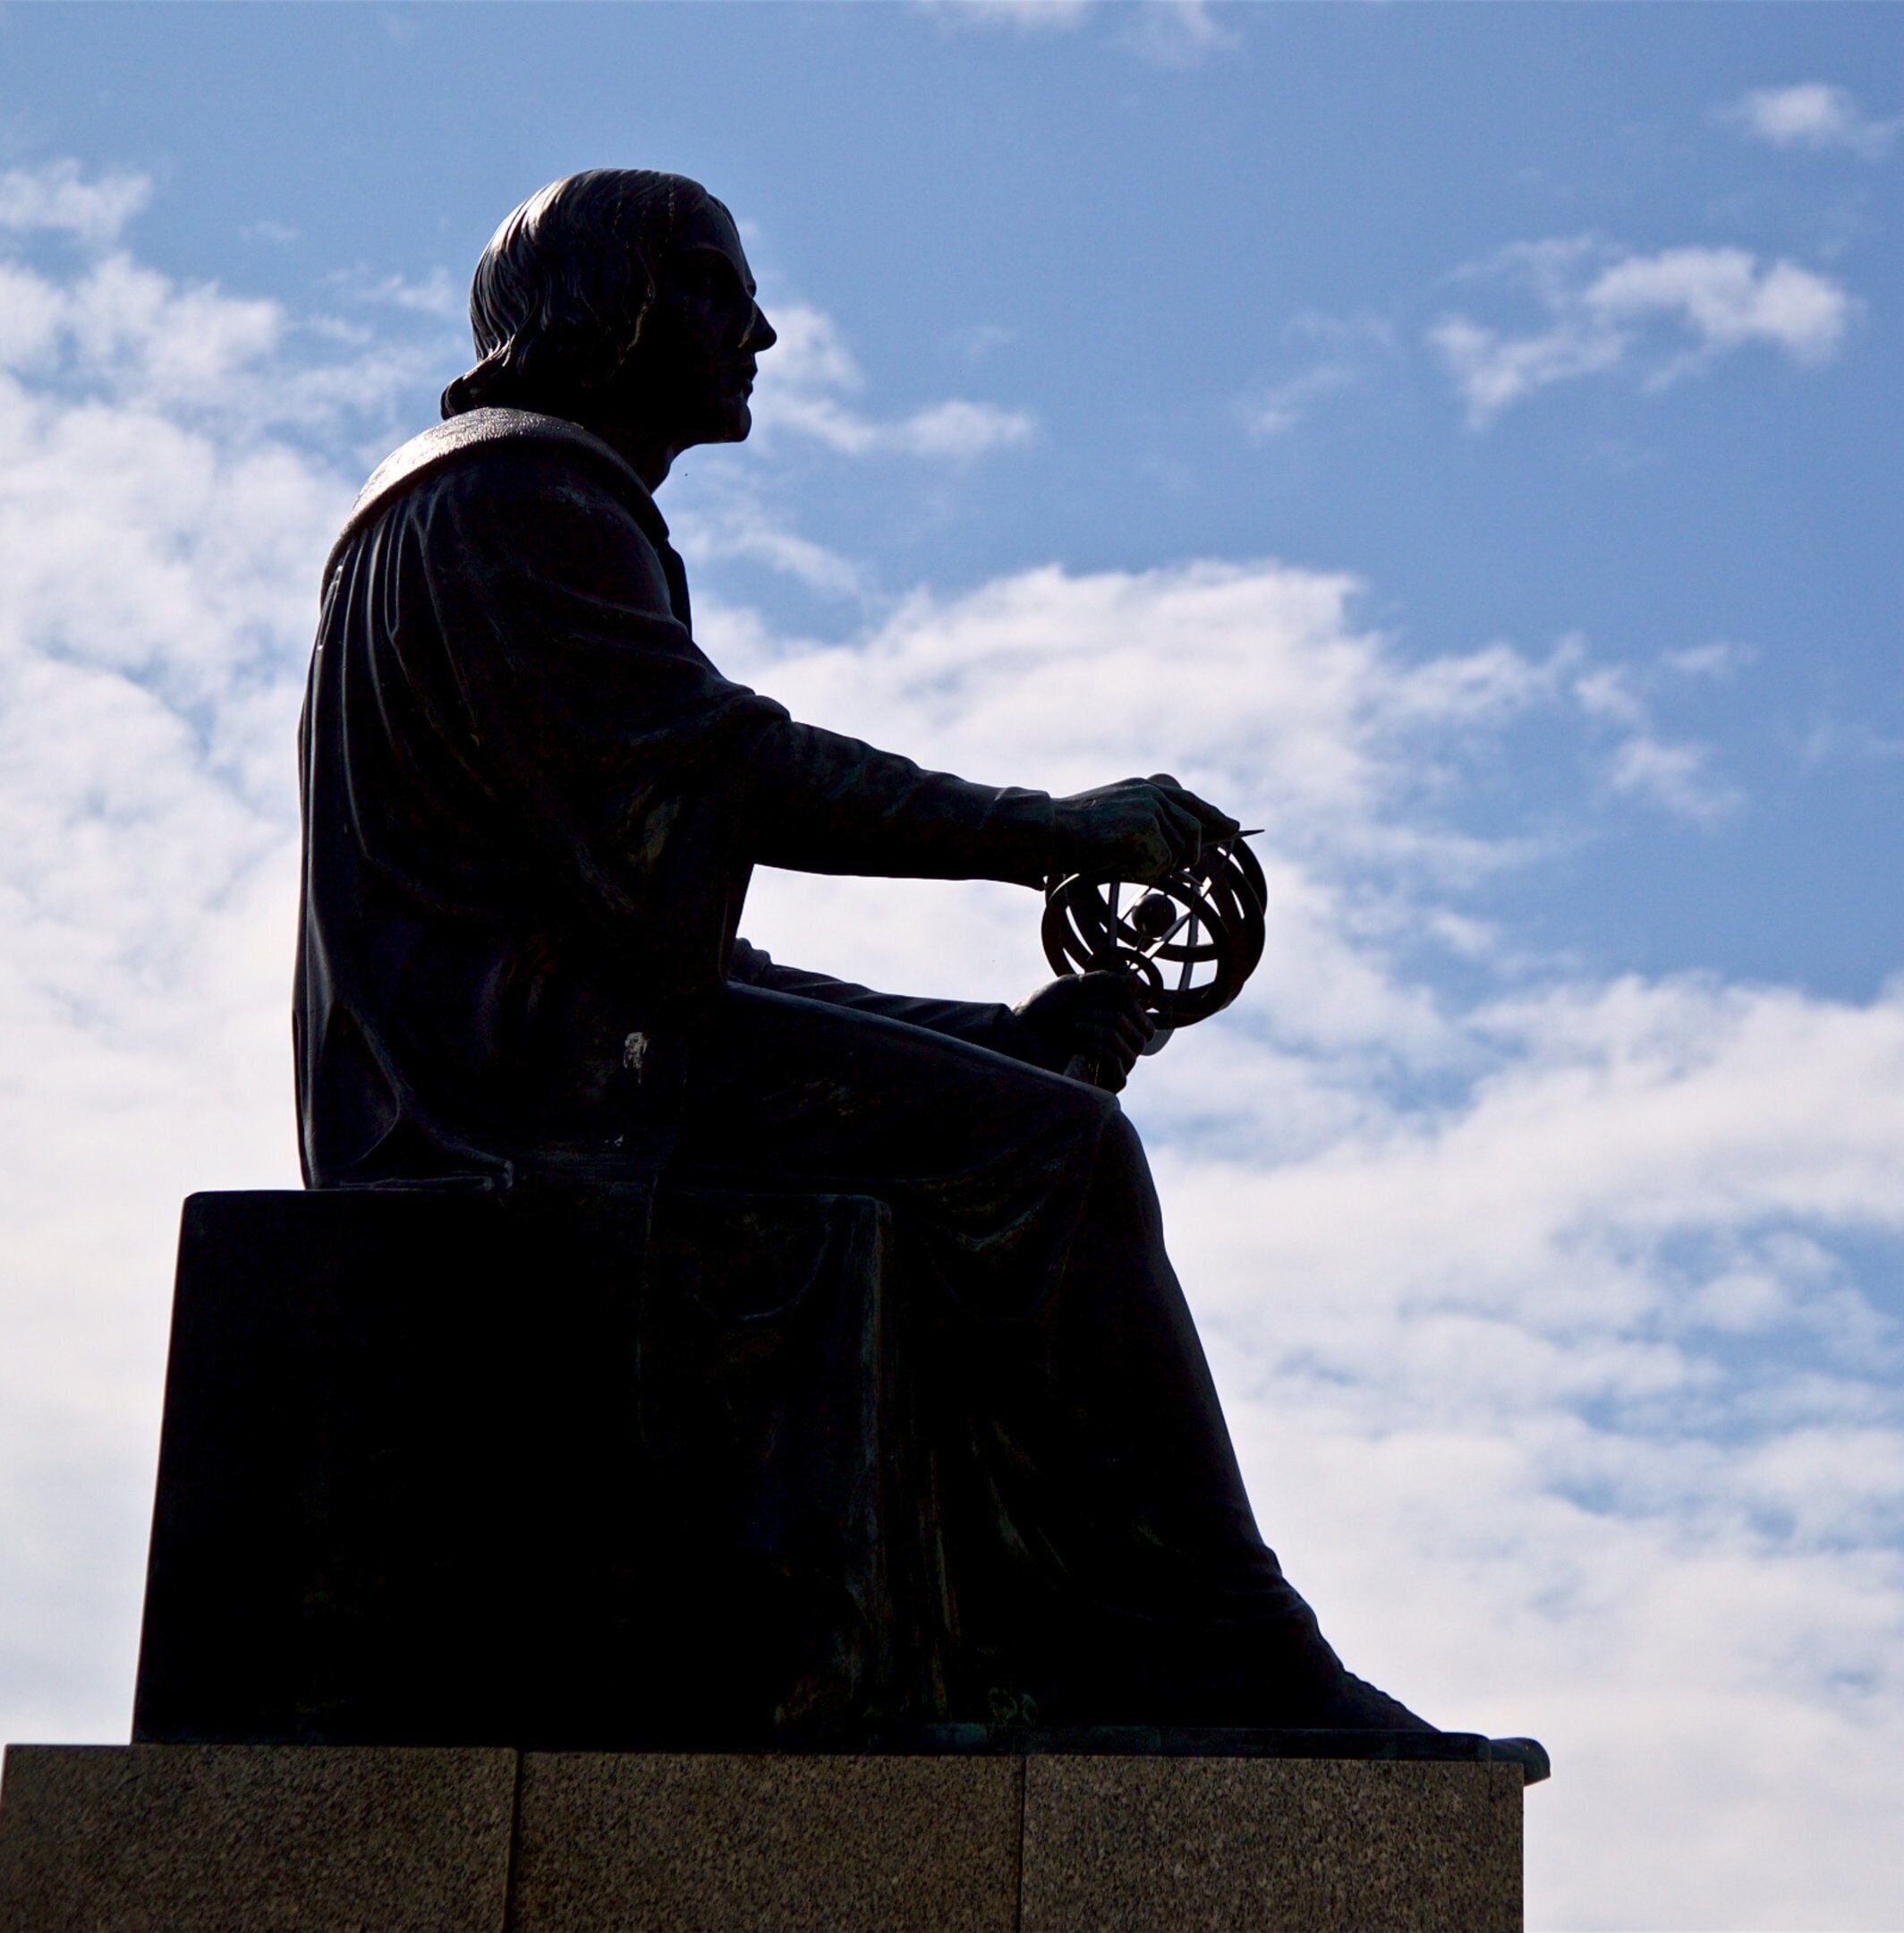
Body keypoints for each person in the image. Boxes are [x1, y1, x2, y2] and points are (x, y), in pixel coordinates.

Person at [293, 167, 1424, 1732]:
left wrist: (985, 1033)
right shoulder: (515, 505)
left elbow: (669, 959)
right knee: (1065, 1159)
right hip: (514, 1097)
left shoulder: (495, 506)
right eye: (714, 287)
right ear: (609, 306)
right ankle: (1219, 1649)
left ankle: (1064, 1648)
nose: (758, 327)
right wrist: (1047, 829)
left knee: (1025, 1110)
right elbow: (730, 767)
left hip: (555, 1049)